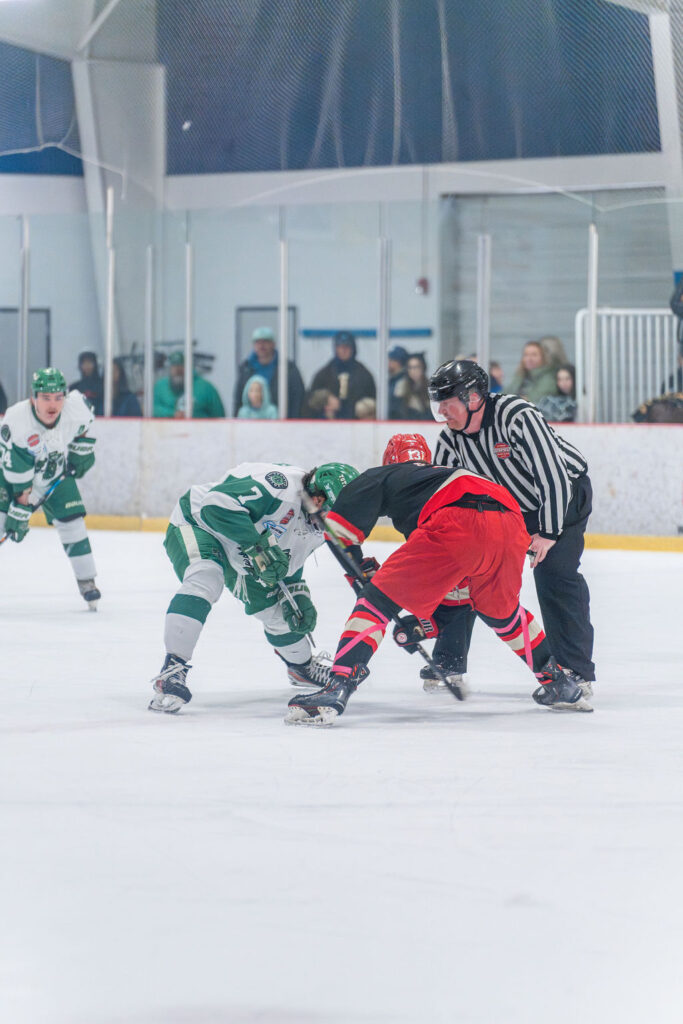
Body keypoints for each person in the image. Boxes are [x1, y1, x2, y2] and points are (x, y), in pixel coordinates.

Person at [286, 441, 592, 726]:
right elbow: (458, 593)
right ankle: (558, 682)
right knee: (503, 612)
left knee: (374, 602)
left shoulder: (375, 477)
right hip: (511, 521)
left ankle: (337, 686)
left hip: (458, 518)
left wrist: (361, 578)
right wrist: (424, 624)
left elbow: (339, 534)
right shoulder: (437, 478)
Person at [430, 359, 595, 697]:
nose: (443, 411)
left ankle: (575, 672)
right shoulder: (450, 440)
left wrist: (548, 533)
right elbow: (441, 496)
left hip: (565, 497)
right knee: (465, 571)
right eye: (438, 404)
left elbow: (554, 475)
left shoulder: (516, 415)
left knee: (555, 575)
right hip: (511, 509)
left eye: (448, 402)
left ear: (473, 398)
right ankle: (448, 660)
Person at [148, 461, 359, 713]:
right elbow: (215, 505)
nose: (333, 523)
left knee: (280, 613)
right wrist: (257, 547)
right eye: (331, 514)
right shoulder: (277, 485)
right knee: (205, 577)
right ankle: (173, 668)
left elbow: (289, 560)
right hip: (199, 523)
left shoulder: (319, 519)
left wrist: (296, 591)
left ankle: (301, 667)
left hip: (248, 546)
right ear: (317, 498)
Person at [0, 367, 100, 608]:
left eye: (58, 397)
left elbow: (83, 424)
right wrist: (20, 512)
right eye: (45, 398)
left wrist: (81, 450)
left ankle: (87, 581)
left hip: (54, 471)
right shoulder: (17, 421)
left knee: (73, 523)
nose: (52, 404)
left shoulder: (76, 408)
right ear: (33, 398)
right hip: (11, 477)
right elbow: (20, 479)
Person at [233, 327, 305, 418]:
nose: (262, 346)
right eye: (258, 342)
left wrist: (293, 423)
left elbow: (298, 399)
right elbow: (238, 399)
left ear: (273, 344)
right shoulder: (246, 369)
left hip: (283, 423)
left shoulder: (288, 369)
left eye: (266, 341)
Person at [307, 331, 376, 419]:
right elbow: (310, 403)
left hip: (357, 426)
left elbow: (373, 402)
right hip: (327, 426)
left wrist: (363, 409)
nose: (343, 350)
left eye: (347, 347)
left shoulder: (364, 375)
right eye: (340, 347)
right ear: (335, 348)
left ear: (353, 349)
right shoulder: (324, 374)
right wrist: (325, 404)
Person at [153, 351, 225, 419]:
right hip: (166, 430)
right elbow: (151, 409)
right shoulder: (160, 387)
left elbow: (219, 416)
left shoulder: (206, 388)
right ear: (169, 368)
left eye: (181, 365)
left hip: (199, 431)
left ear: (190, 367)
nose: (178, 369)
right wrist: (172, 413)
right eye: (174, 366)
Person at [508, 341, 557, 406]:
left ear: (543, 358)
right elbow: (505, 394)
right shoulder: (520, 376)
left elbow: (532, 401)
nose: (529, 358)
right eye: (526, 355)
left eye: (534, 355)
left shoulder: (548, 379)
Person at [396, 353, 431, 419]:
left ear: (423, 368)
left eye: (416, 367)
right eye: (410, 367)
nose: (413, 371)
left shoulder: (430, 387)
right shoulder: (401, 387)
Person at [69, 351, 104, 416]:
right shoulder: (74, 388)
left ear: (95, 364)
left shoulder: (104, 386)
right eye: (84, 363)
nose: (87, 366)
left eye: (90, 362)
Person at [387, 345, 409, 419]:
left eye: (391, 360)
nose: (388, 363)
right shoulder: (392, 379)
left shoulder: (403, 381)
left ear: (399, 362)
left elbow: (396, 406)